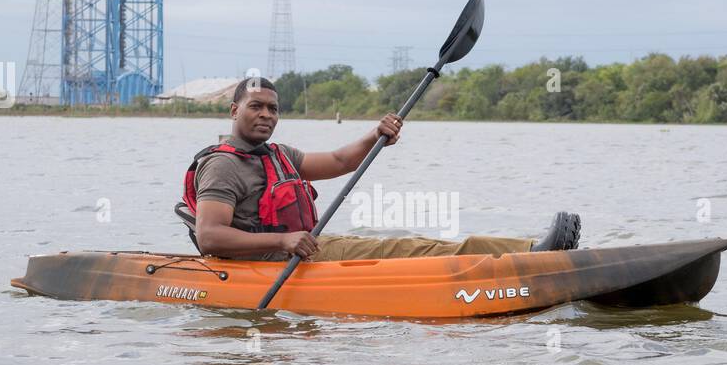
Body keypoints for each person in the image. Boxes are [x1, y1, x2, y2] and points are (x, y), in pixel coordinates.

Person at [178, 77, 581, 262]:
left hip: (299, 250)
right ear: (234, 111)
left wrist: (377, 134)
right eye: (256, 107)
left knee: (412, 243)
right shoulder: (223, 164)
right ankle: (530, 255)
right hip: (272, 262)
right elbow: (211, 237)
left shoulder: (277, 153)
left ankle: (525, 250)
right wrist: (284, 243)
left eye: (273, 108)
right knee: (406, 249)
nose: (266, 115)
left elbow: (339, 162)